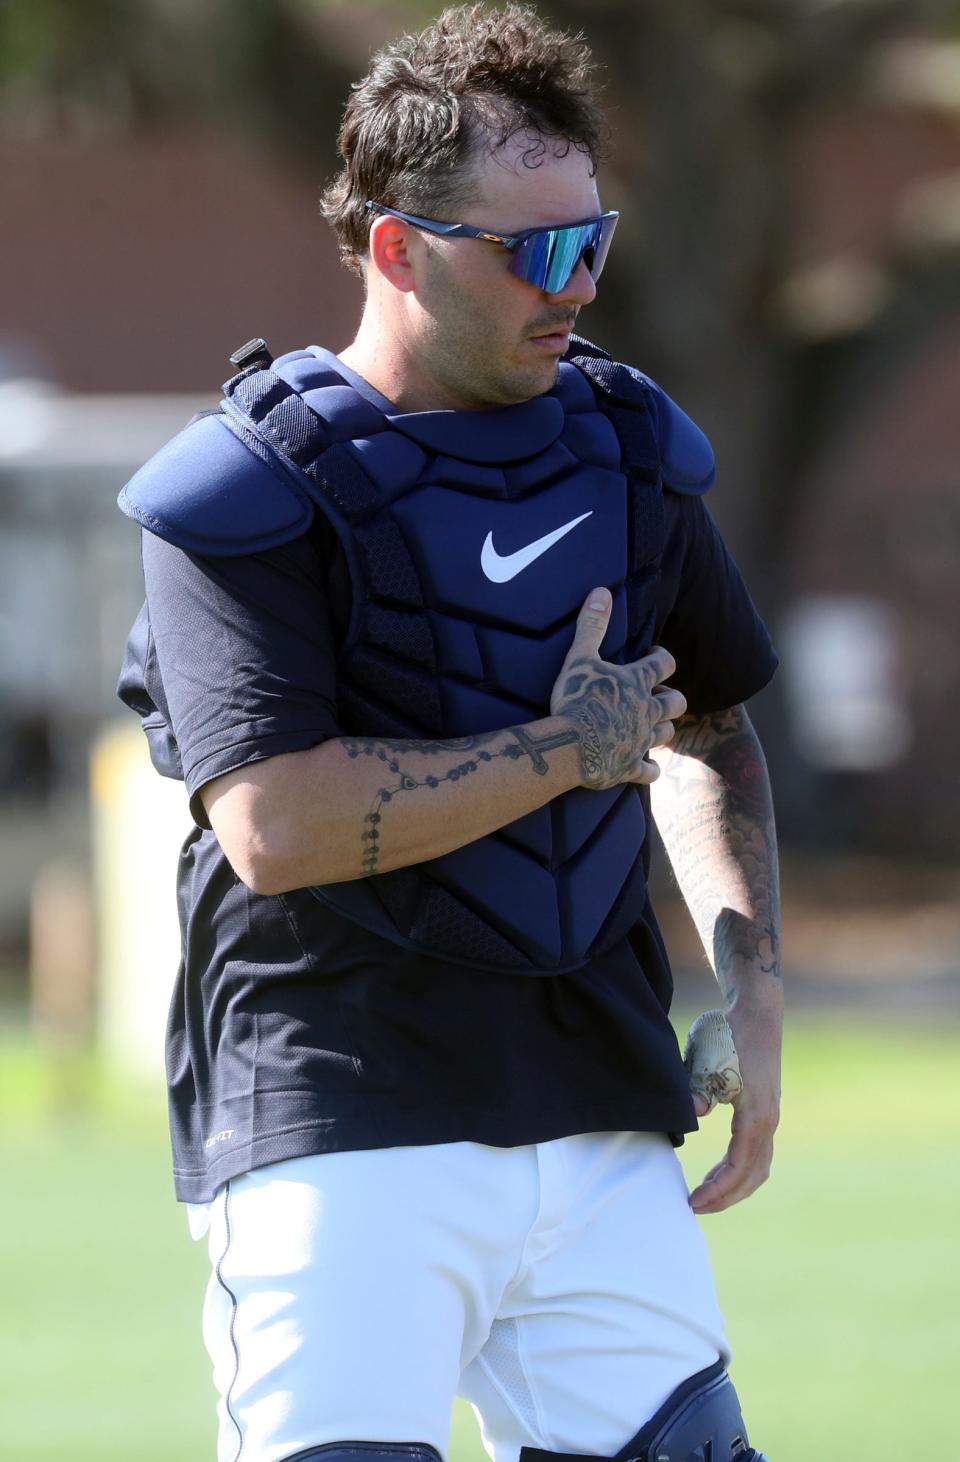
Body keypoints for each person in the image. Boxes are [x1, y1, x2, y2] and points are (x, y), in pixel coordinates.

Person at [117, 6, 782, 1460]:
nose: (582, 280)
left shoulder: (627, 445)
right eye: (536, 250)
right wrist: (559, 751)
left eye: (594, 238)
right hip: (340, 1120)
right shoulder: (243, 488)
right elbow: (275, 825)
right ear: (399, 248)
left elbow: (710, 724)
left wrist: (753, 974)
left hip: (600, 1107)